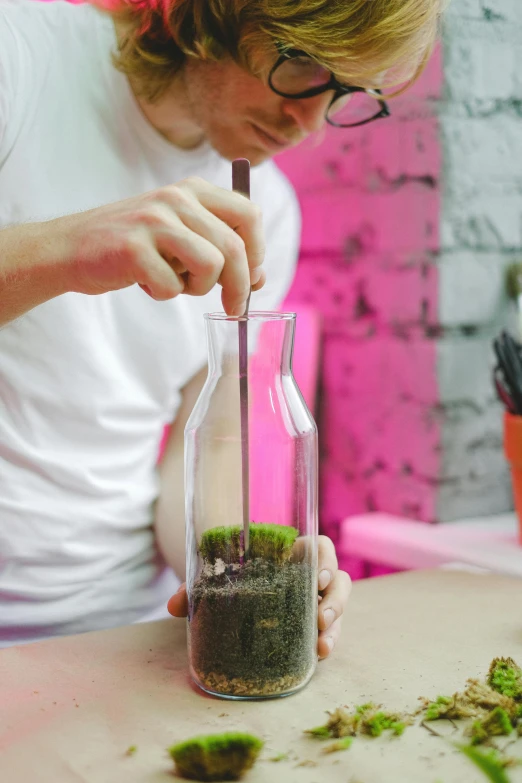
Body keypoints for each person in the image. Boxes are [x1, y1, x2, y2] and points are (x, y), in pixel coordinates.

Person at [0, 0, 442, 651]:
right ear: (208, 15)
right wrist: (69, 248)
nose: (310, 123)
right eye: (302, 65)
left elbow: (194, 465)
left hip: (125, 621)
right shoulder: (21, 53)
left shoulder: (267, 214)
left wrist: (244, 569)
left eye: (346, 92)